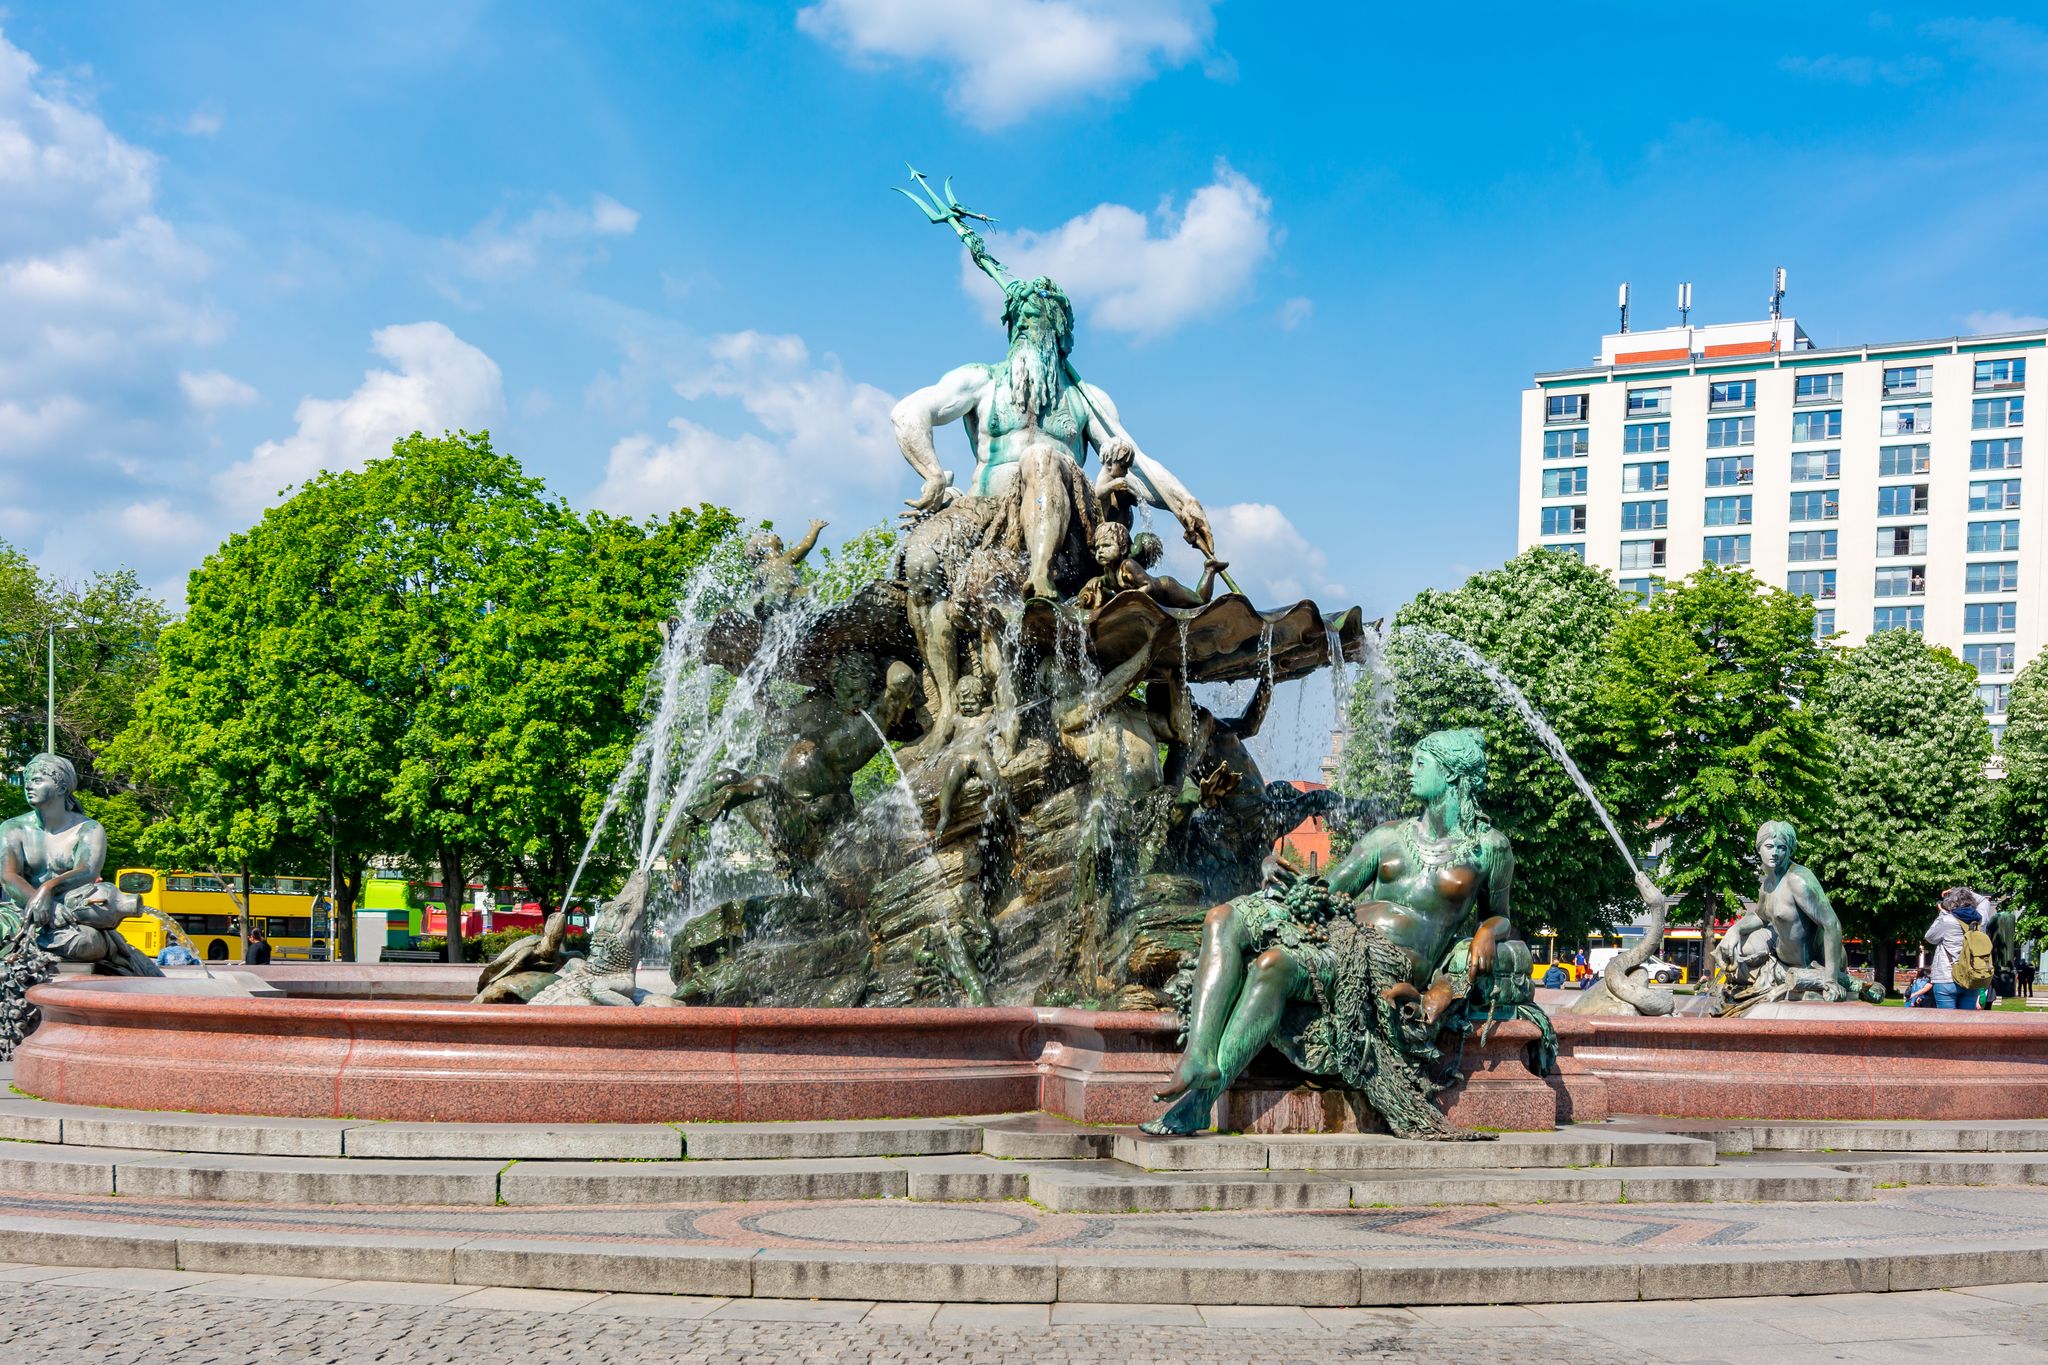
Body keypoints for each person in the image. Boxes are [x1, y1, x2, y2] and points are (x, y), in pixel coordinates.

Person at [1923, 887, 1977, 1009]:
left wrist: (1942, 912)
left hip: (1947, 976)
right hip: (1972, 976)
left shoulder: (1947, 920)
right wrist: (1964, 891)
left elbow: (1930, 937)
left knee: (1947, 1023)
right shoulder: (1978, 921)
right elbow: (1984, 901)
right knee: (1968, 1023)